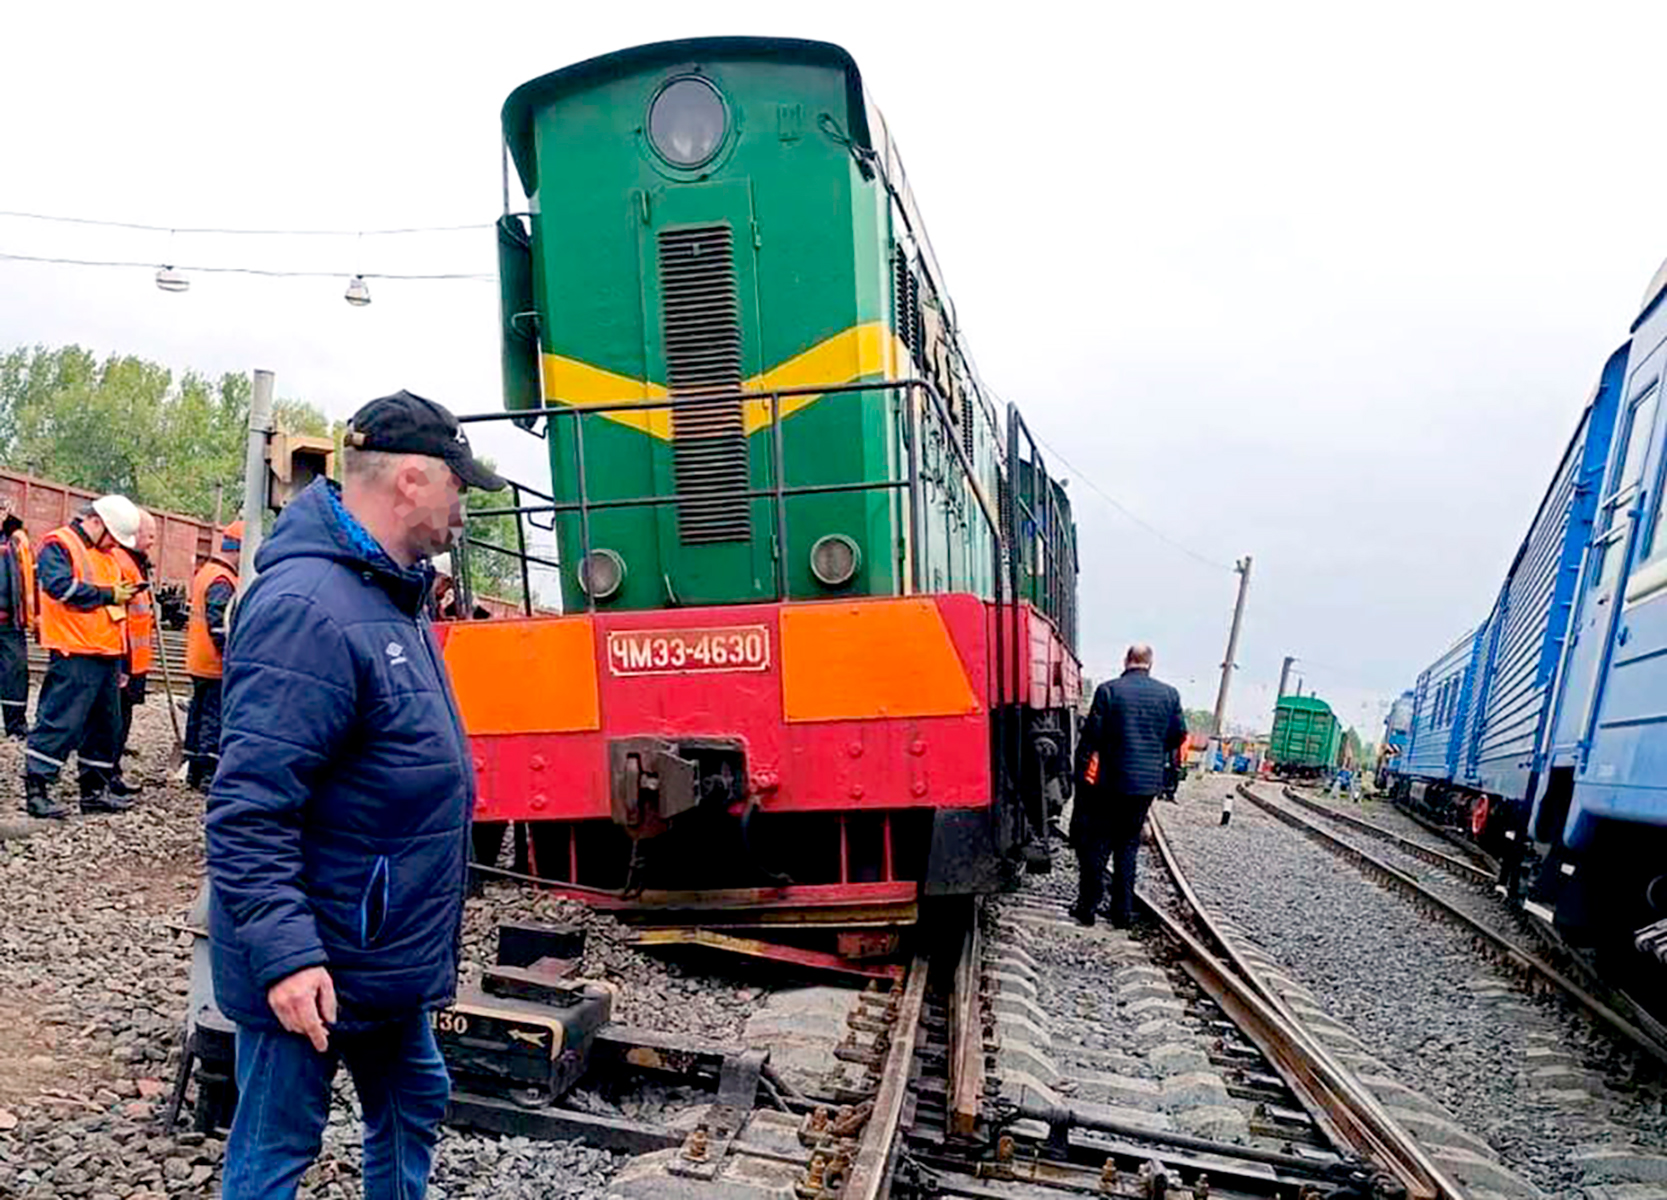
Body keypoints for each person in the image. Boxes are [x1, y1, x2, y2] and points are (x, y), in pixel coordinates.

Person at [207, 389, 504, 1199]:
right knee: (276, 1146)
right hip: (320, 956)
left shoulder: (385, 593)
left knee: (414, 1098)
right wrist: (288, 957)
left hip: (378, 952)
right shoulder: (311, 608)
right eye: (459, 485)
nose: (464, 506)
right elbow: (248, 810)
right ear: (412, 479)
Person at [24, 496, 143, 819]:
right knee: (60, 720)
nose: (114, 546)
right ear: (97, 523)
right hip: (74, 651)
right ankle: (37, 789)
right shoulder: (59, 544)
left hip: (105, 653)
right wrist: (108, 594)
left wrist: (120, 661)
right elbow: (59, 588)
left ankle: (94, 791)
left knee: (106, 726)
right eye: (113, 538)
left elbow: (114, 613)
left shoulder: (105, 556)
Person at [1070, 644, 1186, 927]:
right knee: (1127, 846)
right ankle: (1121, 913)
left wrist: (1081, 776)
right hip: (1144, 786)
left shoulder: (1109, 690)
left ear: (1126, 660)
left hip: (1109, 781)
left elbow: (1092, 737)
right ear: (1150, 663)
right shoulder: (1170, 695)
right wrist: (1152, 750)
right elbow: (1178, 735)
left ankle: (1087, 909)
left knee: (1098, 844)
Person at [184, 521, 240, 792]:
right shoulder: (223, 580)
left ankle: (193, 769)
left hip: (199, 660)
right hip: (215, 663)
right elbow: (220, 624)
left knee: (197, 715)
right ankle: (208, 773)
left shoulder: (207, 572)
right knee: (212, 718)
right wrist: (233, 656)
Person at [109, 509, 158, 797]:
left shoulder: (135, 562)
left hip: (133, 660)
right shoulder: (122, 562)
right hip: (124, 658)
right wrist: (122, 664)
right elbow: (118, 616)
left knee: (121, 718)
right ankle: (107, 776)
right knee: (114, 720)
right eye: (149, 535)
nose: (152, 541)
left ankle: (112, 772)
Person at [0, 501, 35, 739]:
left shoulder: (17, 541)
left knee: (15, 673)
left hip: (9, 622)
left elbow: (30, 579)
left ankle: (16, 726)